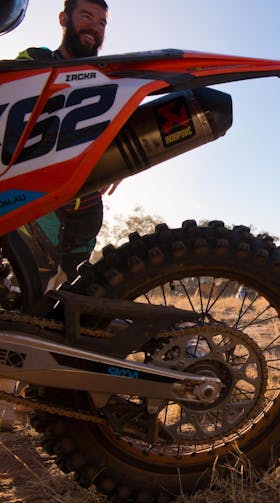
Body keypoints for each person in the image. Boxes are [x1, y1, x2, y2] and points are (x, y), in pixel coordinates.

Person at [0, 0, 110, 431]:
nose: (95, 29)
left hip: (86, 206)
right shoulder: (34, 61)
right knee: (30, 292)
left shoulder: (112, 75)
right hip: (34, 197)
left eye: (102, 23)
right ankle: (8, 399)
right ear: (64, 19)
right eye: (87, 18)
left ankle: (46, 394)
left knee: (79, 296)